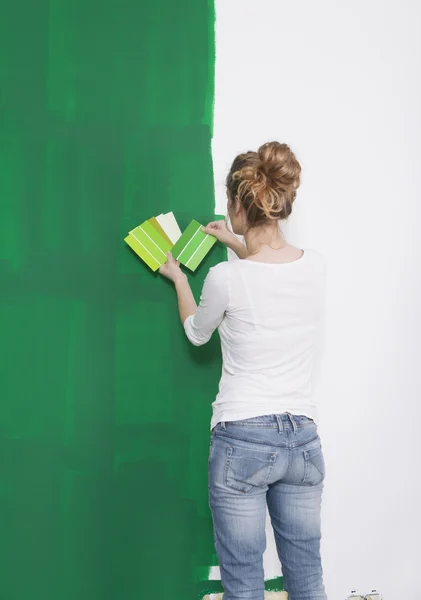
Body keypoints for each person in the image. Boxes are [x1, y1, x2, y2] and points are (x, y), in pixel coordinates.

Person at [159, 141, 327, 600]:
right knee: (307, 579)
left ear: (237, 203)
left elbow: (197, 332)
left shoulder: (224, 279)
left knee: (244, 583)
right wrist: (236, 243)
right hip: (304, 443)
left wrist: (179, 279)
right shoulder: (315, 267)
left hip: (243, 442)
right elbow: (269, 277)